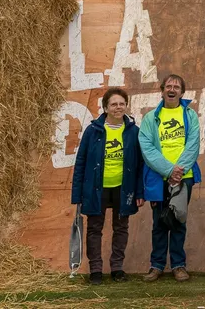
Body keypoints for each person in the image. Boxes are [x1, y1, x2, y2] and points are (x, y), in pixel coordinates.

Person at [72, 87, 143, 284]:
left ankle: (117, 268)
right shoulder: (92, 131)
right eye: (113, 104)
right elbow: (81, 163)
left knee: (121, 227)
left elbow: (140, 165)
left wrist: (139, 191)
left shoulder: (134, 132)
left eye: (121, 104)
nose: (118, 107)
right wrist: (77, 194)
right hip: (96, 188)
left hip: (123, 188)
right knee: (95, 228)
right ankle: (95, 269)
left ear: (126, 106)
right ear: (105, 107)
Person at [139, 74, 201, 283]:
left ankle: (178, 265)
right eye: (168, 86)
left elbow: (193, 144)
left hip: (184, 178)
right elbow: (146, 148)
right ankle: (156, 265)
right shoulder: (150, 118)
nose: (172, 89)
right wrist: (168, 170)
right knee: (159, 222)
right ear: (162, 90)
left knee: (178, 221)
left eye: (176, 87)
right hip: (159, 177)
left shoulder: (190, 115)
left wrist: (179, 171)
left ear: (182, 92)